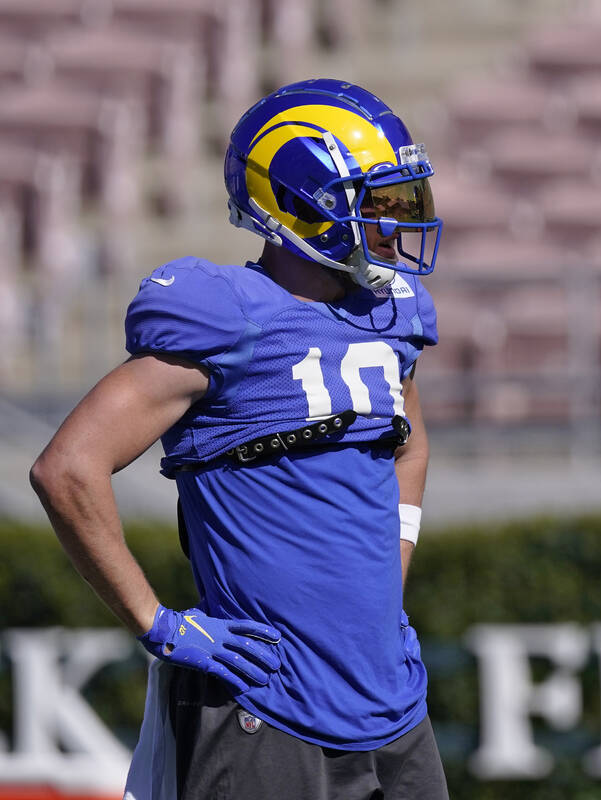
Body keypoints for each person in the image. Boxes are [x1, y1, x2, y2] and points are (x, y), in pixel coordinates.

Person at [29, 78, 450, 799]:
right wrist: (155, 623)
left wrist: (395, 565)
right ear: (299, 202)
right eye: (373, 202)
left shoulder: (394, 313)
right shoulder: (224, 316)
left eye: (400, 200)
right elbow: (67, 467)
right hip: (269, 707)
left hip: (394, 698)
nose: (394, 222)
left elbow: (409, 443)